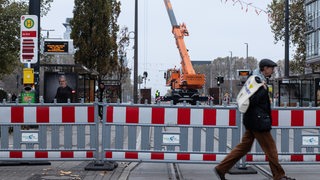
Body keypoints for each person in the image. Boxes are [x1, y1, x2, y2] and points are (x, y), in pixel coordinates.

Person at [214, 59, 295, 180]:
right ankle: (279, 176)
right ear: (264, 68)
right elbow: (252, 100)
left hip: (253, 120)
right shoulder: (256, 81)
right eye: (271, 68)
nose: (273, 70)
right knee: (271, 149)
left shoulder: (257, 79)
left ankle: (221, 168)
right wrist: (263, 89)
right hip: (258, 121)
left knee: (243, 147)